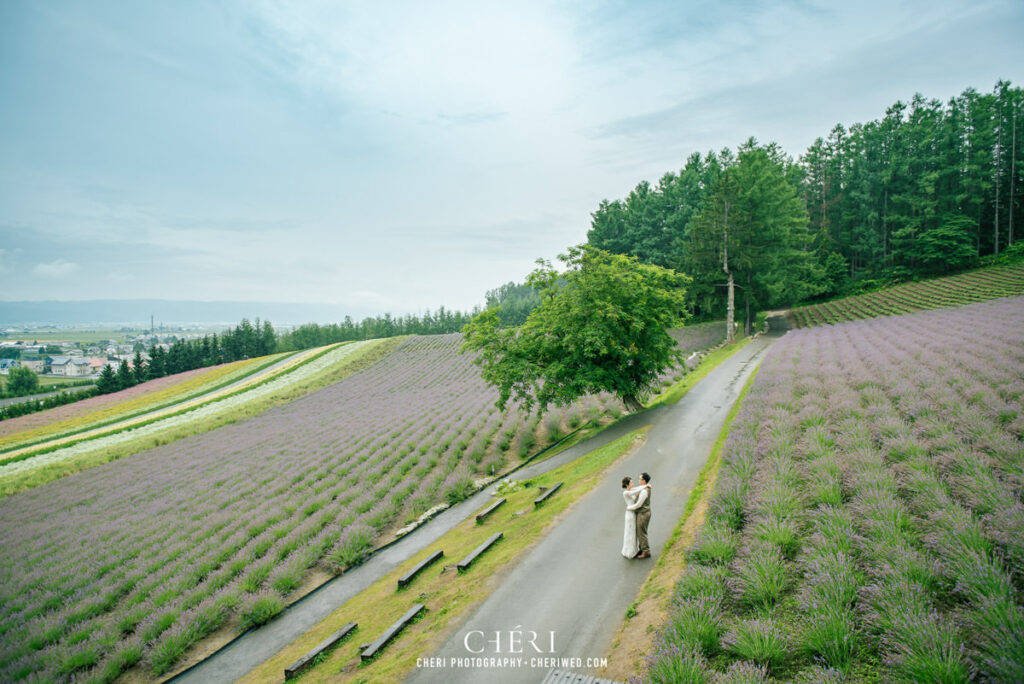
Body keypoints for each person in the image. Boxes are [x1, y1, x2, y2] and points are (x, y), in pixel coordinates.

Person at [627, 472, 651, 559]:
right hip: (642, 513)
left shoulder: (644, 491)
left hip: (643, 513)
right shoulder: (643, 488)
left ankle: (646, 551)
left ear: (644, 481)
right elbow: (636, 489)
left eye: (640, 479)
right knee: (639, 531)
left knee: (642, 533)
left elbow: (639, 504)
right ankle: (642, 549)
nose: (638, 480)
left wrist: (629, 508)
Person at [621, 476, 640, 558]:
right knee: (630, 531)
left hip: (632, 511)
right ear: (627, 484)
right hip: (630, 513)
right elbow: (638, 490)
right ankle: (630, 552)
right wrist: (646, 486)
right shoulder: (626, 492)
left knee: (633, 531)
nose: (633, 483)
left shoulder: (631, 490)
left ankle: (633, 550)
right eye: (631, 482)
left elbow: (637, 489)